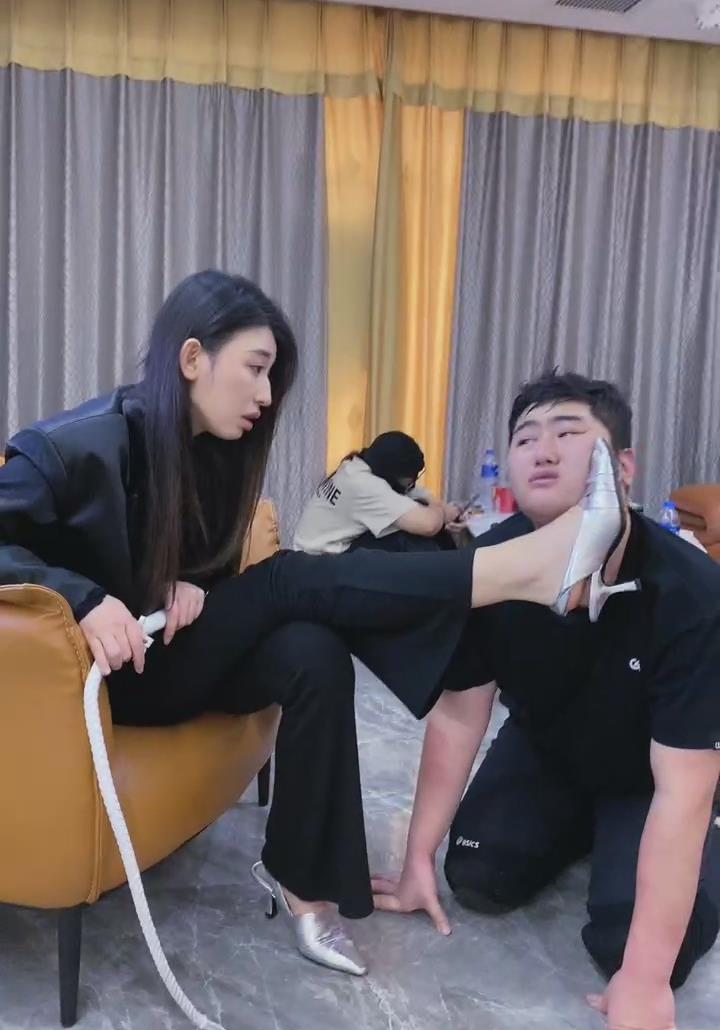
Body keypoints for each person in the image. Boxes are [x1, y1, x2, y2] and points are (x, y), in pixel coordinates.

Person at [0, 280, 620, 981]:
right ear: (193, 357)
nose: (267, 395)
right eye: (256, 369)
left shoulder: (208, 454)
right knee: (290, 578)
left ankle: (303, 885)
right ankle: (515, 573)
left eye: (273, 377)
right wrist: (84, 599)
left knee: (314, 650)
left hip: (163, 656)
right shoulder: (74, 446)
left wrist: (170, 583)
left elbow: (160, 560)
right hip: (99, 684)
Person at [371, 372, 720, 1030]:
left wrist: (645, 986)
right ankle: (583, 829)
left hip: (654, 779)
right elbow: (461, 714)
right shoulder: (492, 567)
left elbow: (683, 790)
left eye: (568, 433)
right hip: (550, 750)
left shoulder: (690, 591)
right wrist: (416, 861)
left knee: (630, 948)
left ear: (624, 466)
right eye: (526, 438)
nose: (544, 450)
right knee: (477, 877)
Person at [293, 430, 461, 555]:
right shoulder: (366, 486)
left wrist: (437, 505)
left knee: (412, 519)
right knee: (412, 542)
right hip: (318, 566)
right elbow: (429, 525)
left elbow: (414, 493)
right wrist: (442, 511)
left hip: (310, 555)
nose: (412, 482)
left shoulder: (355, 467)